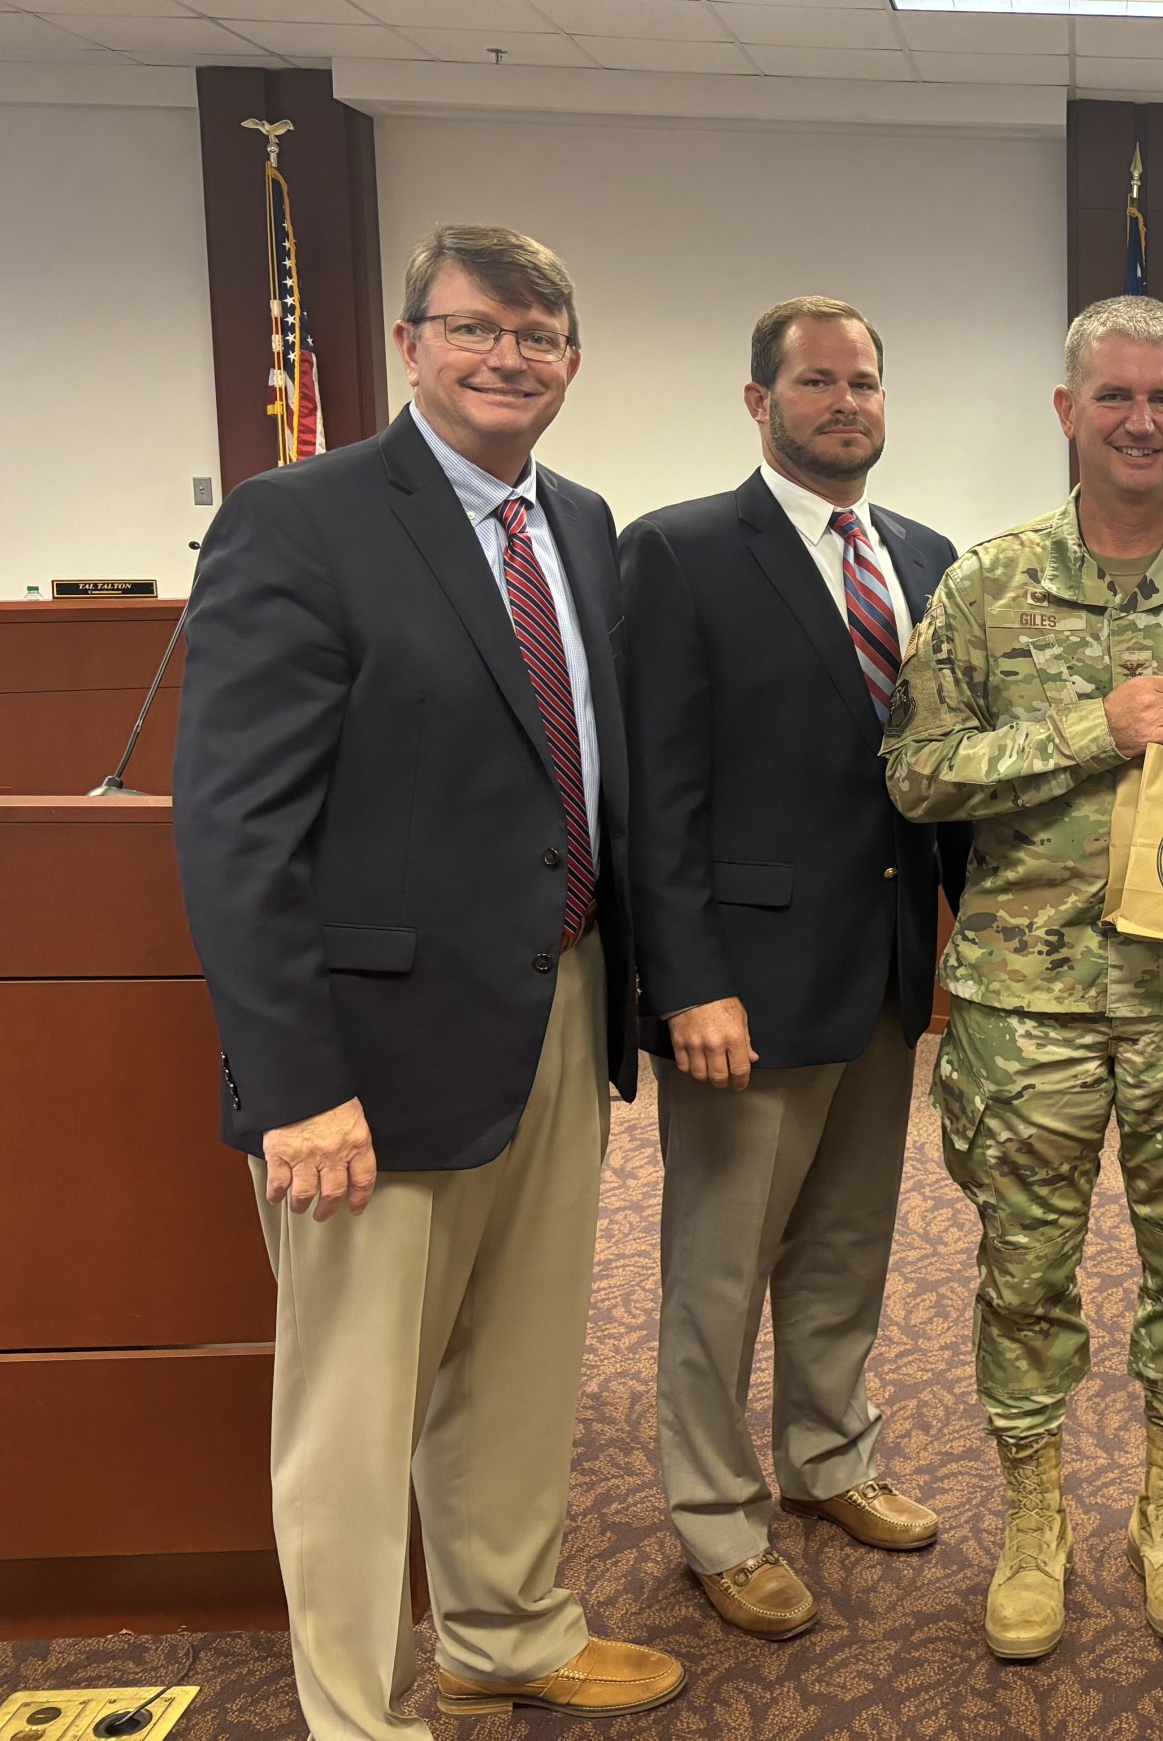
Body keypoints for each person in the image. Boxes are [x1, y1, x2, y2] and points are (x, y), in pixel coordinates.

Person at [171, 226, 684, 1737]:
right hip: (365, 1056)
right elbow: (235, 834)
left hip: (559, 1001)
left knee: (520, 1364)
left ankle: (508, 1630)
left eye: (538, 335)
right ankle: (355, 1715)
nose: (507, 358)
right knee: (351, 1410)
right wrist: (296, 1083)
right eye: (476, 329)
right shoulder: (300, 521)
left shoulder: (581, 523)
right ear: (411, 344)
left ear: (574, 363)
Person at [882, 294, 1163, 1661]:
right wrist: (1089, 728)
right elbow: (912, 773)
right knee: (1025, 1273)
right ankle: (1034, 1522)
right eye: (1117, 397)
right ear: (1068, 411)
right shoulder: (986, 585)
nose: (1142, 421)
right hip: (1031, 1010)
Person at [619, 297, 969, 1641]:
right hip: (743, 992)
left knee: (844, 1248)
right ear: (757, 399)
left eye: (865, 382)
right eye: (816, 382)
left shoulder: (927, 557)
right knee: (720, 1265)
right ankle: (716, 1516)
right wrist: (685, 980)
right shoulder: (682, 553)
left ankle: (828, 1458)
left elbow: (936, 774)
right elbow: (657, 792)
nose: (845, 405)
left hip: (884, 973)